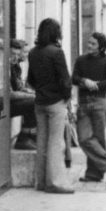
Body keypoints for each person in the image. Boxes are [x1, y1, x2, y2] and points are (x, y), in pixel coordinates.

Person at [26, 18, 74, 194]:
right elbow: (65, 80)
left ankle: (41, 183)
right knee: (55, 142)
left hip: (39, 103)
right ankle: (55, 183)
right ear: (56, 33)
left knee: (42, 142)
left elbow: (30, 80)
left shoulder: (32, 53)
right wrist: (67, 98)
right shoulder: (56, 52)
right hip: (56, 103)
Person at [72, 32, 106, 184]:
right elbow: (73, 78)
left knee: (99, 140)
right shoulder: (81, 60)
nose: (89, 45)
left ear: (101, 46)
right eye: (88, 42)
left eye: (93, 44)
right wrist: (84, 81)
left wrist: (96, 85)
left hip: (99, 102)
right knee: (84, 138)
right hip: (84, 103)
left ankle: (94, 175)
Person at [9, 39, 37, 150]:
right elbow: (9, 94)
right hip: (4, 105)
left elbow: (19, 88)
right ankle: (24, 138)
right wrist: (32, 96)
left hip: (10, 102)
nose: (15, 57)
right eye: (12, 54)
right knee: (35, 102)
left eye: (17, 54)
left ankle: (29, 137)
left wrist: (32, 93)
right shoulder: (6, 66)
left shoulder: (15, 66)